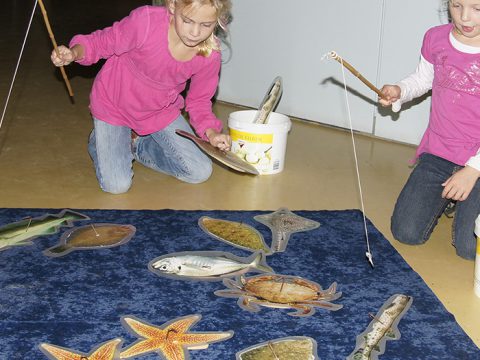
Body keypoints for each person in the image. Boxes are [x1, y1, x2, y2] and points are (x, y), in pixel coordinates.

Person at [51, 0, 232, 194]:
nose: (195, 32)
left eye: (206, 25)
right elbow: (103, 42)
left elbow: (199, 102)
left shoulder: (210, 54)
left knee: (199, 171)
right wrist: (74, 53)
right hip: (114, 105)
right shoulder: (146, 21)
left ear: (218, 21)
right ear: (172, 6)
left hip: (160, 110)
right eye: (187, 20)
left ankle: (136, 145)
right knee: (117, 186)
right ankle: (99, 142)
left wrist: (211, 133)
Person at [379, 0, 480, 260]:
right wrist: (400, 90)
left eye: (477, 9)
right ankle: (449, 198)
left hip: (478, 162)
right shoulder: (435, 38)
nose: (465, 18)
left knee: (469, 249)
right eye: (457, 6)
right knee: (406, 232)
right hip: (439, 153)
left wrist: (472, 170)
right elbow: (422, 79)